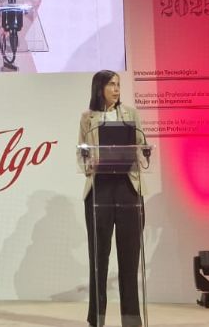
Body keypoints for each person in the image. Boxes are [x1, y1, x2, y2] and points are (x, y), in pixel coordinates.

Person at [78, 69, 145, 327]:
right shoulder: (87, 118)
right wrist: (90, 162)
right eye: (111, 85)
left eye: (118, 84)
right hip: (100, 189)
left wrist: (140, 150)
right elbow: (80, 152)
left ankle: (131, 320)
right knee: (99, 258)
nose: (117, 89)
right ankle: (97, 318)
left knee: (129, 258)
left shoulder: (131, 114)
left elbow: (141, 144)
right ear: (100, 88)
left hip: (128, 188)